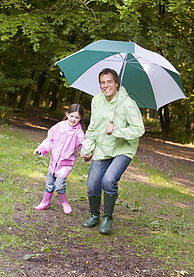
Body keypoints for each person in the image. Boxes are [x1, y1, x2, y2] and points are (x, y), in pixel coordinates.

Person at [81, 68, 145, 234]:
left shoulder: (127, 103)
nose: (106, 85)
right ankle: (94, 216)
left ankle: (107, 218)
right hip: (103, 147)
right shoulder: (97, 100)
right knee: (92, 184)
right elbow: (93, 127)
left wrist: (117, 130)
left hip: (123, 149)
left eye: (109, 81)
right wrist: (88, 147)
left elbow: (139, 129)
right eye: (102, 82)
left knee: (108, 180)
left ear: (117, 83)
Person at [34, 103, 85, 214]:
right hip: (54, 161)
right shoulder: (59, 126)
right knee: (49, 183)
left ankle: (64, 203)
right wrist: (41, 149)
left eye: (77, 117)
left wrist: (86, 153)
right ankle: (45, 203)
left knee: (59, 184)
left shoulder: (78, 133)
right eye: (72, 116)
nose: (73, 119)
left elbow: (84, 144)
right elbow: (50, 139)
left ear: (80, 119)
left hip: (66, 164)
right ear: (67, 114)